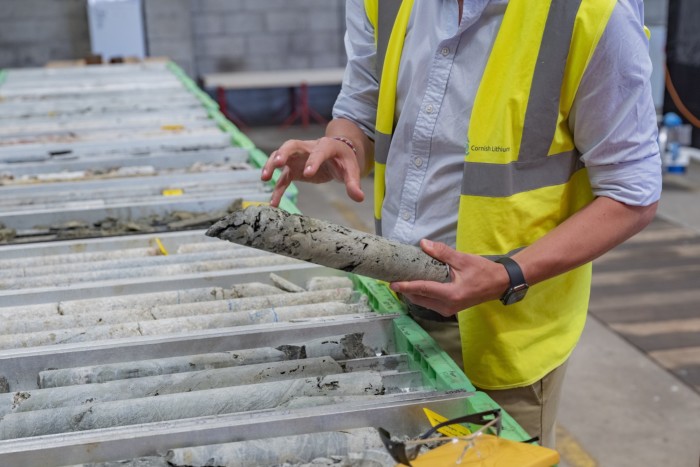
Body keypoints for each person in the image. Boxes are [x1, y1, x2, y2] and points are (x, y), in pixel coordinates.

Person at [261, 0, 661, 448]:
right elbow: (362, 105)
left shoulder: (593, 13)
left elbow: (633, 193)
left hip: (504, 329)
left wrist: (507, 274)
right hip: (395, 307)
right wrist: (343, 145)